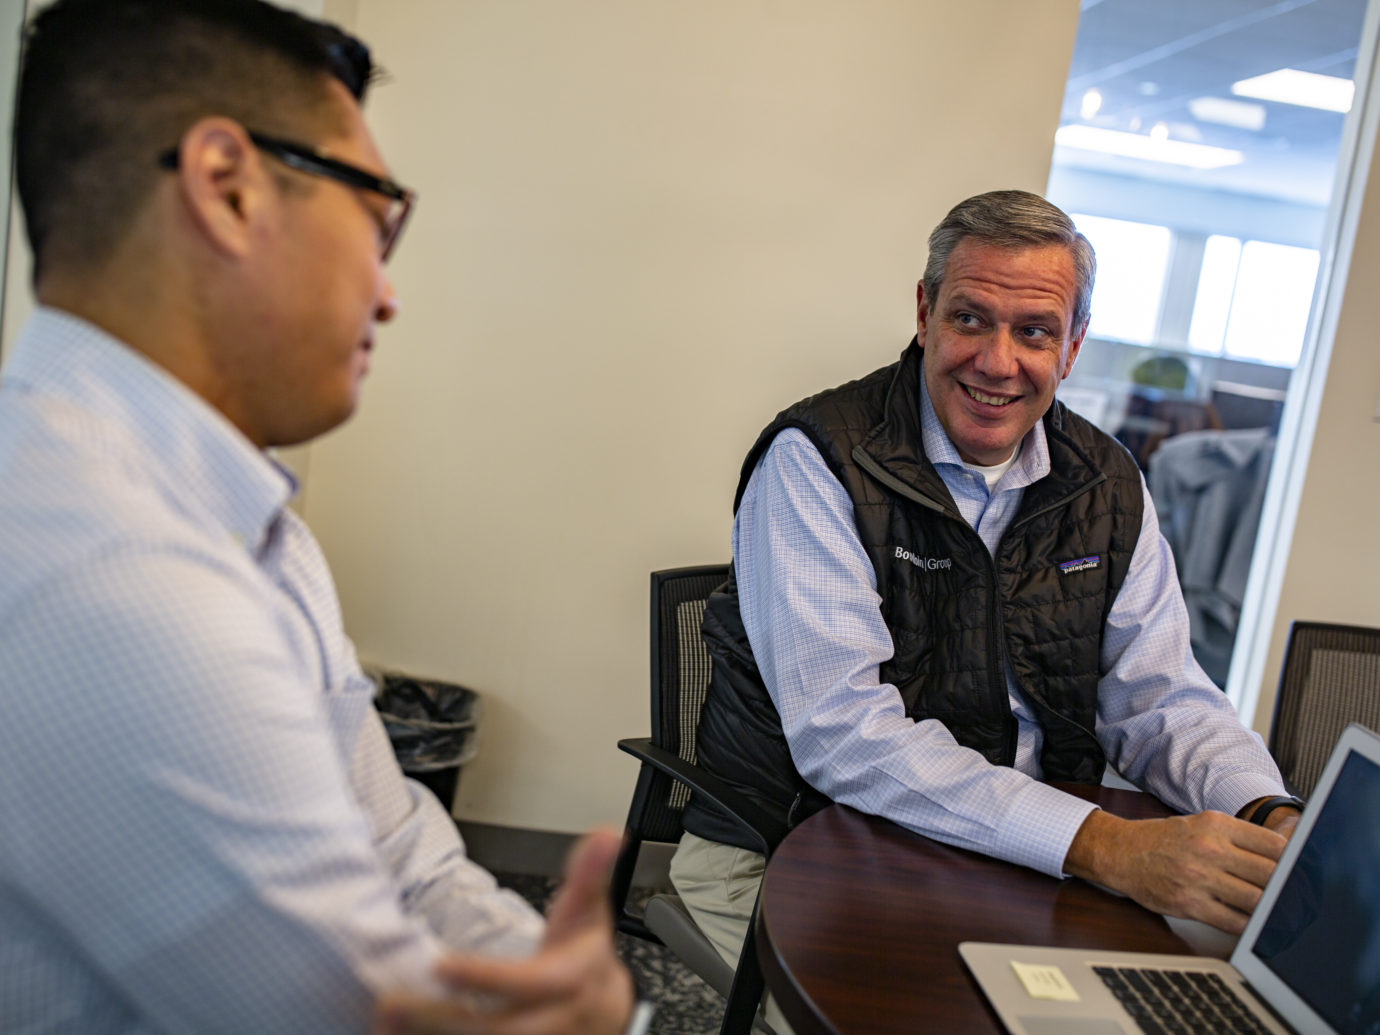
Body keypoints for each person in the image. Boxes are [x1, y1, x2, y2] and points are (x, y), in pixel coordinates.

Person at [0, 2, 646, 1032]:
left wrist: (533, 965)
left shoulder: (257, 532)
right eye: (378, 214)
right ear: (228, 187)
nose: (387, 293)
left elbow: (395, 845)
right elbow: (359, 1015)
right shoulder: (105, 570)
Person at [670, 189, 1301, 1033]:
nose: (998, 362)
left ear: (1072, 346)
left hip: (1005, 858)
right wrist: (1106, 846)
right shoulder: (817, 460)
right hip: (798, 852)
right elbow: (845, 734)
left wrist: (1270, 817)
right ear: (925, 312)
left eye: (1034, 331)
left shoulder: (1106, 481)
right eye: (971, 318)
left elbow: (1162, 699)